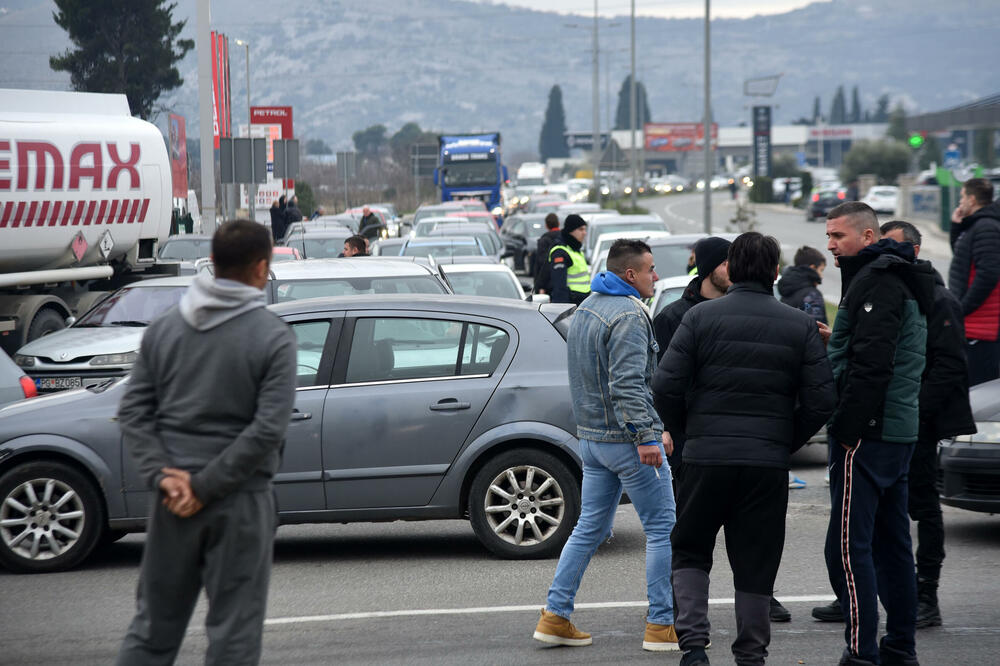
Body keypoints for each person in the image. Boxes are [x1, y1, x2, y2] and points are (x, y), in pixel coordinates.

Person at [116, 220, 297, 665]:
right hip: (240, 502)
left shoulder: (164, 330)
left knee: (152, 632)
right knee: (233, 639)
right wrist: (205, 487)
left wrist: (165, 477)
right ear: (261, 268)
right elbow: (266, 431)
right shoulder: (274, 337)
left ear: (212, 264)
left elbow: (133, 413)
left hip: (171, 502)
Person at [653, 232, 835, 666]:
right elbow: (822, 400)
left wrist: (687, 431)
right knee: (756, 559)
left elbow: (664, 386)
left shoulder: (699, 319)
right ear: (775, 271)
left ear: (731, 270)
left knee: (692, 548)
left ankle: (694, 648)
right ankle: (751, 653)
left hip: (704, 457)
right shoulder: (799, 324)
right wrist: (784, 441)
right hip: (765, 462)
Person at [812, 221, 975, 631]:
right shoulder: (882, 286)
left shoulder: (925, 294)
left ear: (913, 252)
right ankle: (862, 607)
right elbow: (877, 350)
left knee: (913, 516)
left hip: (906, 425)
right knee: (878, 532)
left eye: (895, 246)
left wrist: (908, 412)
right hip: (893, 421)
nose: (890, 253)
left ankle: (923, 599)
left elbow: (945, 365)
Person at [533, 239, 678, 652]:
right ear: (630, 274)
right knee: (663, 528)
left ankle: (555, 616)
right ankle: (661, 626)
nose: (655, 276)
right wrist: (647, 436)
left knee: (588, 530)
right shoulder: (631, 314)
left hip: (592, 441)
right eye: (650, 269)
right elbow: (629, 385)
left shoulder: (586, 307)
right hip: (627, 444)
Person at [821, 202, 934, 666]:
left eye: (838, 236)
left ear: (868, 238)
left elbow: (872, 364)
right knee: (892, 547)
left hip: (870, 434)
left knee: (853, 551)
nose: (830, 244)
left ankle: (862, 653)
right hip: (896, 429)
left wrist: (848, 429)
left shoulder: (878, 281)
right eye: (827, 236)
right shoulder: (899, 276)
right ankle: (899, 648)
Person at [652, 236, 731, 480]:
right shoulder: (672, 317)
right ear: (709, 268)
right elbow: (658, 379)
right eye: (727, 264)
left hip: (729, 434)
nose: (735, 269)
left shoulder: (738, 312)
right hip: (687, 439)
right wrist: (663, 428)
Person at [947, 177, 1000, 386]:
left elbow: (988, 273)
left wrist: (963, 307)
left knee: (980, 393)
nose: (959, 203)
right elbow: (963, 259)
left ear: (971, 198)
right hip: (973, 325)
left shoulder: (986, 227)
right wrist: (955, 227)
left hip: (983, 328)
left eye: (961, 198)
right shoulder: (975, 226)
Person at [778, 246, 828, 325]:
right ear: (812, 268)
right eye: (821, 270)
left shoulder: (788, 288)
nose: (821, 276)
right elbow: (818, 328)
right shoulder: (812, 295)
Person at [547, 214, 590, 305]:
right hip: (571, 305)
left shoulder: (576, 250)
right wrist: (562, 313)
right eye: (581, 229)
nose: (584, 233)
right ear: (571, 231)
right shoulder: (560, 252)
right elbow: (559, 287)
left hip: (582, 303)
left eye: (585, 229)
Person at [532, 212, 561, 293]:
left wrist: (540, 286)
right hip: (563, 283)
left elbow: (542, 264)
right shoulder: (564, 239)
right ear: (558, 223)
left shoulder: (544, 241)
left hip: (547, 286)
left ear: (546, 225)